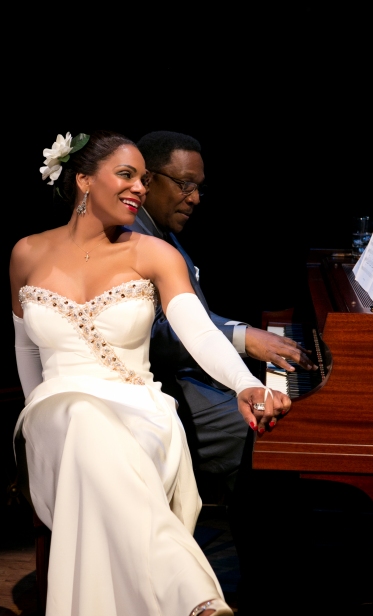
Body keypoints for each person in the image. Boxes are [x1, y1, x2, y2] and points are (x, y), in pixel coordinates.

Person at [10, 130, 291, 616]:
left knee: (96, 447)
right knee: (76, 419)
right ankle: (189, 597)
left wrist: (246, 383)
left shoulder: (152, 254)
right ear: (83, 180)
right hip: (57, 422)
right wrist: (33, 428)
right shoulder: (27, 253)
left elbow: (197, 331)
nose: (140, 187)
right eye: (127, 175)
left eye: (144, 177)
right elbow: (27, 355)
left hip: (138, 416)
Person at [127, 131, 316, 496]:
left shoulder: (159, 230)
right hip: (162, 383)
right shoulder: (130, 238)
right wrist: (243, 338)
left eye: (199, 187)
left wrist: (245, 338)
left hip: (189, 373)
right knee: (265, 431)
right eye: (185, 185)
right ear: (147, 179)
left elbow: (190, 313)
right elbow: (152, 334)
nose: (195, 198)